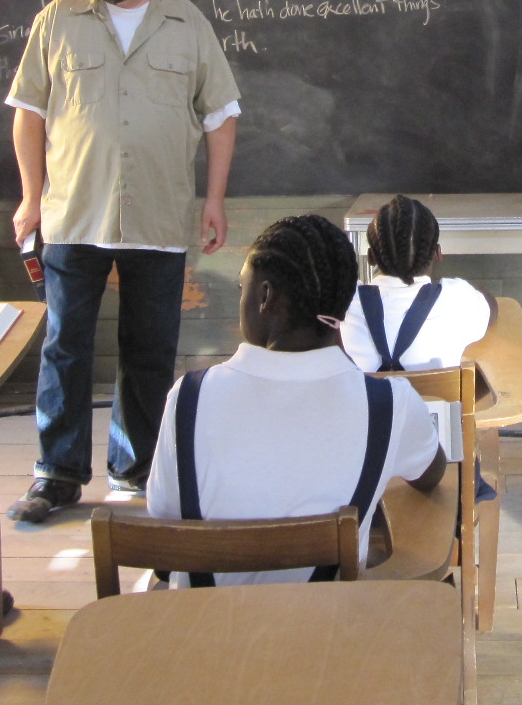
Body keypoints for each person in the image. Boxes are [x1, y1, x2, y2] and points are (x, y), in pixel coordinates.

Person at [6, 0, 241, 523]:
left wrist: (213, 200)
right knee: (65, 346)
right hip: (73, 215)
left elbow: (221, 116)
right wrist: (31, 198)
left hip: (159, 216)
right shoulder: (58, 19)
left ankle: (135, 470)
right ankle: (56, 474)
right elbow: (28, 113)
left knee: (149, 349)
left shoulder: (186, 24)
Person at [145, 215, 445, 584]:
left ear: (265, 296)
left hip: (206, 633)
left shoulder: (189, 398)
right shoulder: (388, 404)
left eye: (243, 286)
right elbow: (432, 474)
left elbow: (165, 532)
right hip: (327, 634)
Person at [340, 194, 497, 374]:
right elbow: (491, 307)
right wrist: (473, 291)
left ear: (371, 257)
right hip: (432, 402)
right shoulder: (457, 299)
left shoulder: (344, 303)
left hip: (363, 403)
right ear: (437, 253)